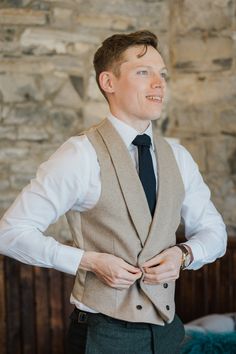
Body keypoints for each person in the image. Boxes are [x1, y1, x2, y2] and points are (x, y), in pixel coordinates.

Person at [0, 30, 227, 354]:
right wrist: (87, 261)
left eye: (162, 74)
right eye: (143, 72)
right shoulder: (79, 154)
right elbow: (9, 233)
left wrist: (184, 255)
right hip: (102, 335)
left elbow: (214, 231)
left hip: (168, 333)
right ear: (109, 82)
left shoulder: (179, 157)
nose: (159, 83)